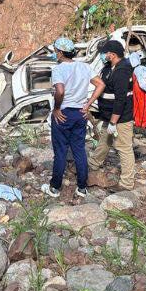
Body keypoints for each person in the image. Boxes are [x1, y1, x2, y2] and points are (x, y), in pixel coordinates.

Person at [41, 37, 95, 198]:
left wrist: (56, 108)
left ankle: (55, 188)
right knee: (79, 150)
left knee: (61, 151)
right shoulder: (85, 67)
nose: (55, 54)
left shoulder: (58, 69)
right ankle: (82, 188)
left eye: (56, 51)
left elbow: (60, 91)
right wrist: (88, 104)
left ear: (60, 52)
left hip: (64, 114)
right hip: (80, 113)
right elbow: (100, 84)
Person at [82, 39, 136, 190]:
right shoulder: (108, 68)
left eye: (104, 53)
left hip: (121, 117)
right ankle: (93, 164)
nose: (102, 56)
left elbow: (120, 99)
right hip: (108, 115)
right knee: (104, 141)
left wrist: (113, 122)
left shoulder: (123, 70)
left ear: (112, 55)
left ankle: (127, 183)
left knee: (124, 148)